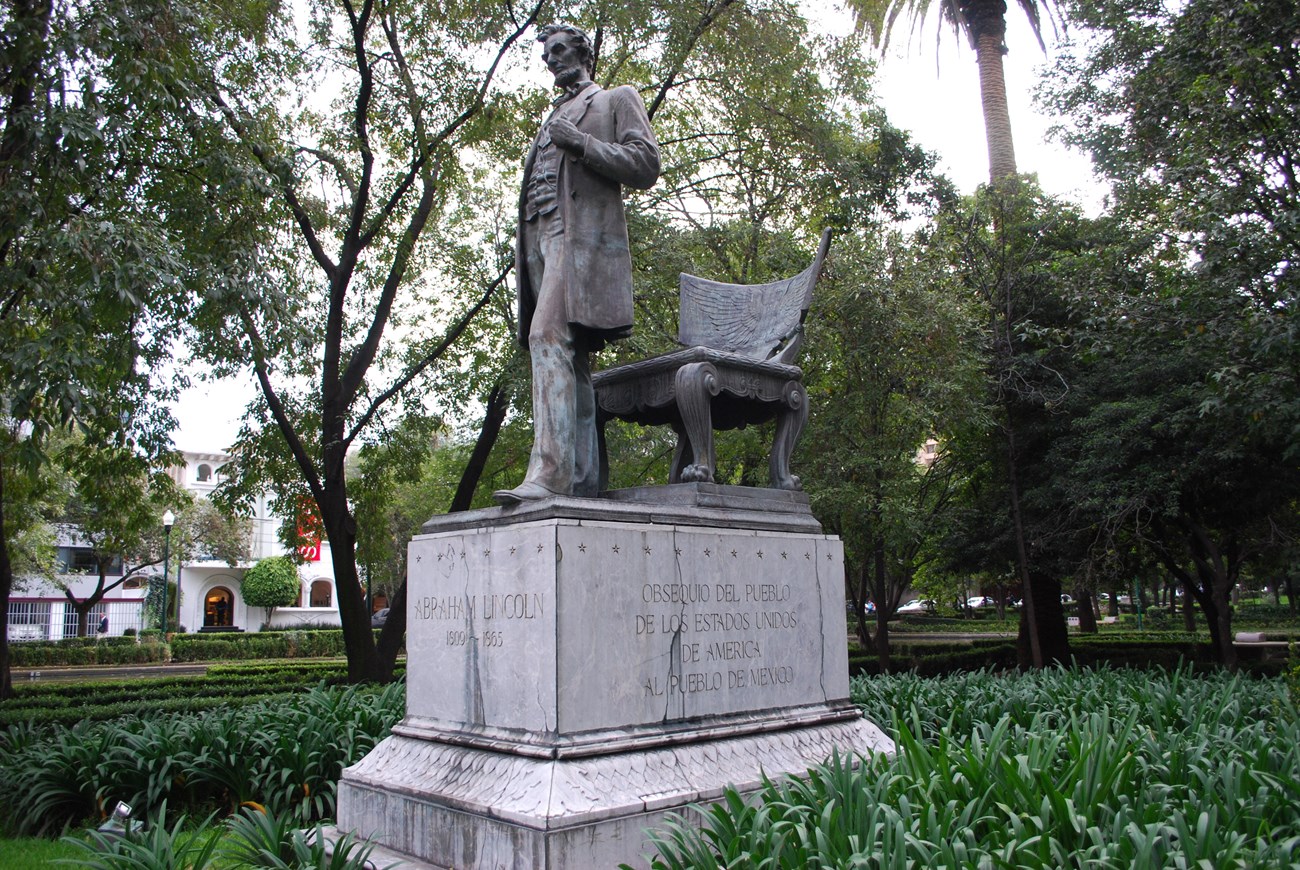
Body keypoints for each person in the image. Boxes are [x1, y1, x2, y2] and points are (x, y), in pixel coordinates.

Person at [493, 23, 660, 505]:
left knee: (545, 336)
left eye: (560, 50)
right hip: (537, 237)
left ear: (584, 53)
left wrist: (582, 144)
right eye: (547, 54)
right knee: (574, 360)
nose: (552, 59)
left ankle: (550, 474)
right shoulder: (551, 117)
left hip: (578, 240)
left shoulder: (614, 100)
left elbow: (645, 163)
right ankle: (584, 479)